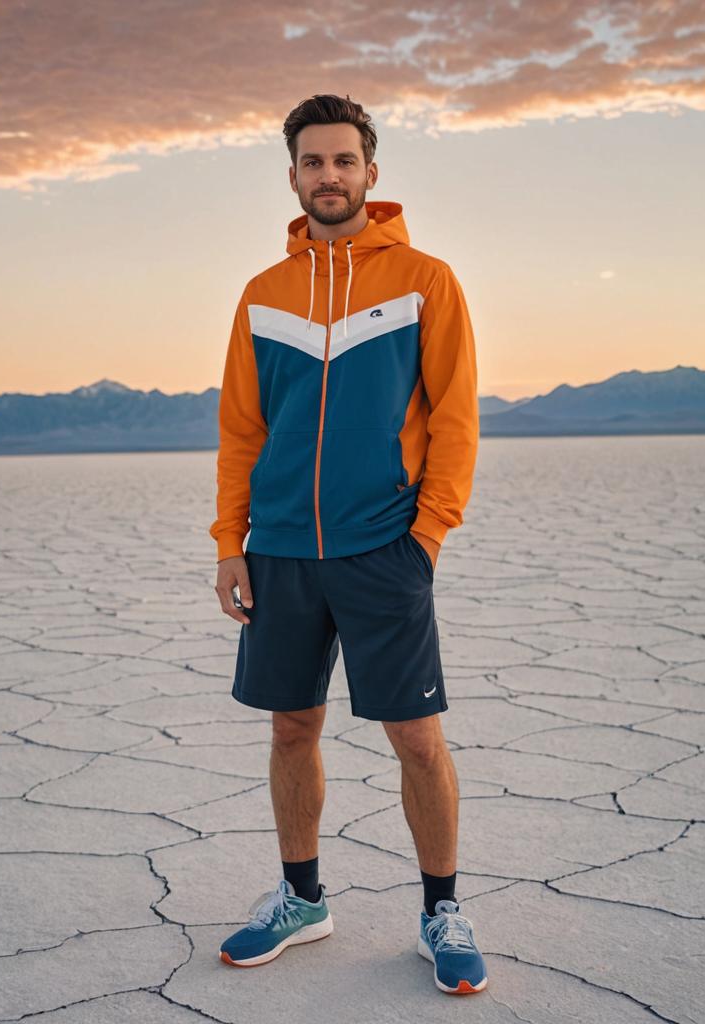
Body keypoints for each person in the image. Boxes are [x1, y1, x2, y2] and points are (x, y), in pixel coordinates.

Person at [209, 93, 485, 995]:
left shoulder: (424, 280)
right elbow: (242, 433)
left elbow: (455, 419)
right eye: (312, 163)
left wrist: (427, 538)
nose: (329, 176)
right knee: (293, 727)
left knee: (417, 738)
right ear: (292, 176)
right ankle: (302, 900)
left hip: (383, 550)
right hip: (282, 548)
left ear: (371, 172)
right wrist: (231, 541)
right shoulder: (263, 296)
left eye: (344, 161)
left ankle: (441, 910)